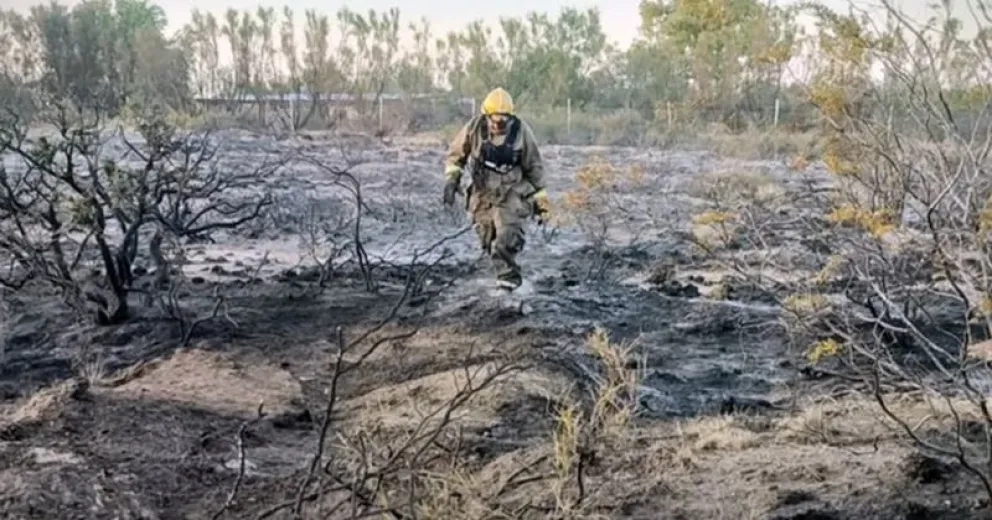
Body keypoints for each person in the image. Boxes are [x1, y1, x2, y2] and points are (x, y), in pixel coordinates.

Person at [442, 87, 550, 290]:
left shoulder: (520, 132)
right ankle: (498, 274)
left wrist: (542, 202)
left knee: (506, 238)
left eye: (503, 120)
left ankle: (509, 285)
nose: (498, 124)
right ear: (486, 116)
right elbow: (456, 155)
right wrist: (451, 181)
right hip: (482, 193)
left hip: (512, 192)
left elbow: (535, 166)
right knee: (487, 238)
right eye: (495, 119)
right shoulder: (474, 128)